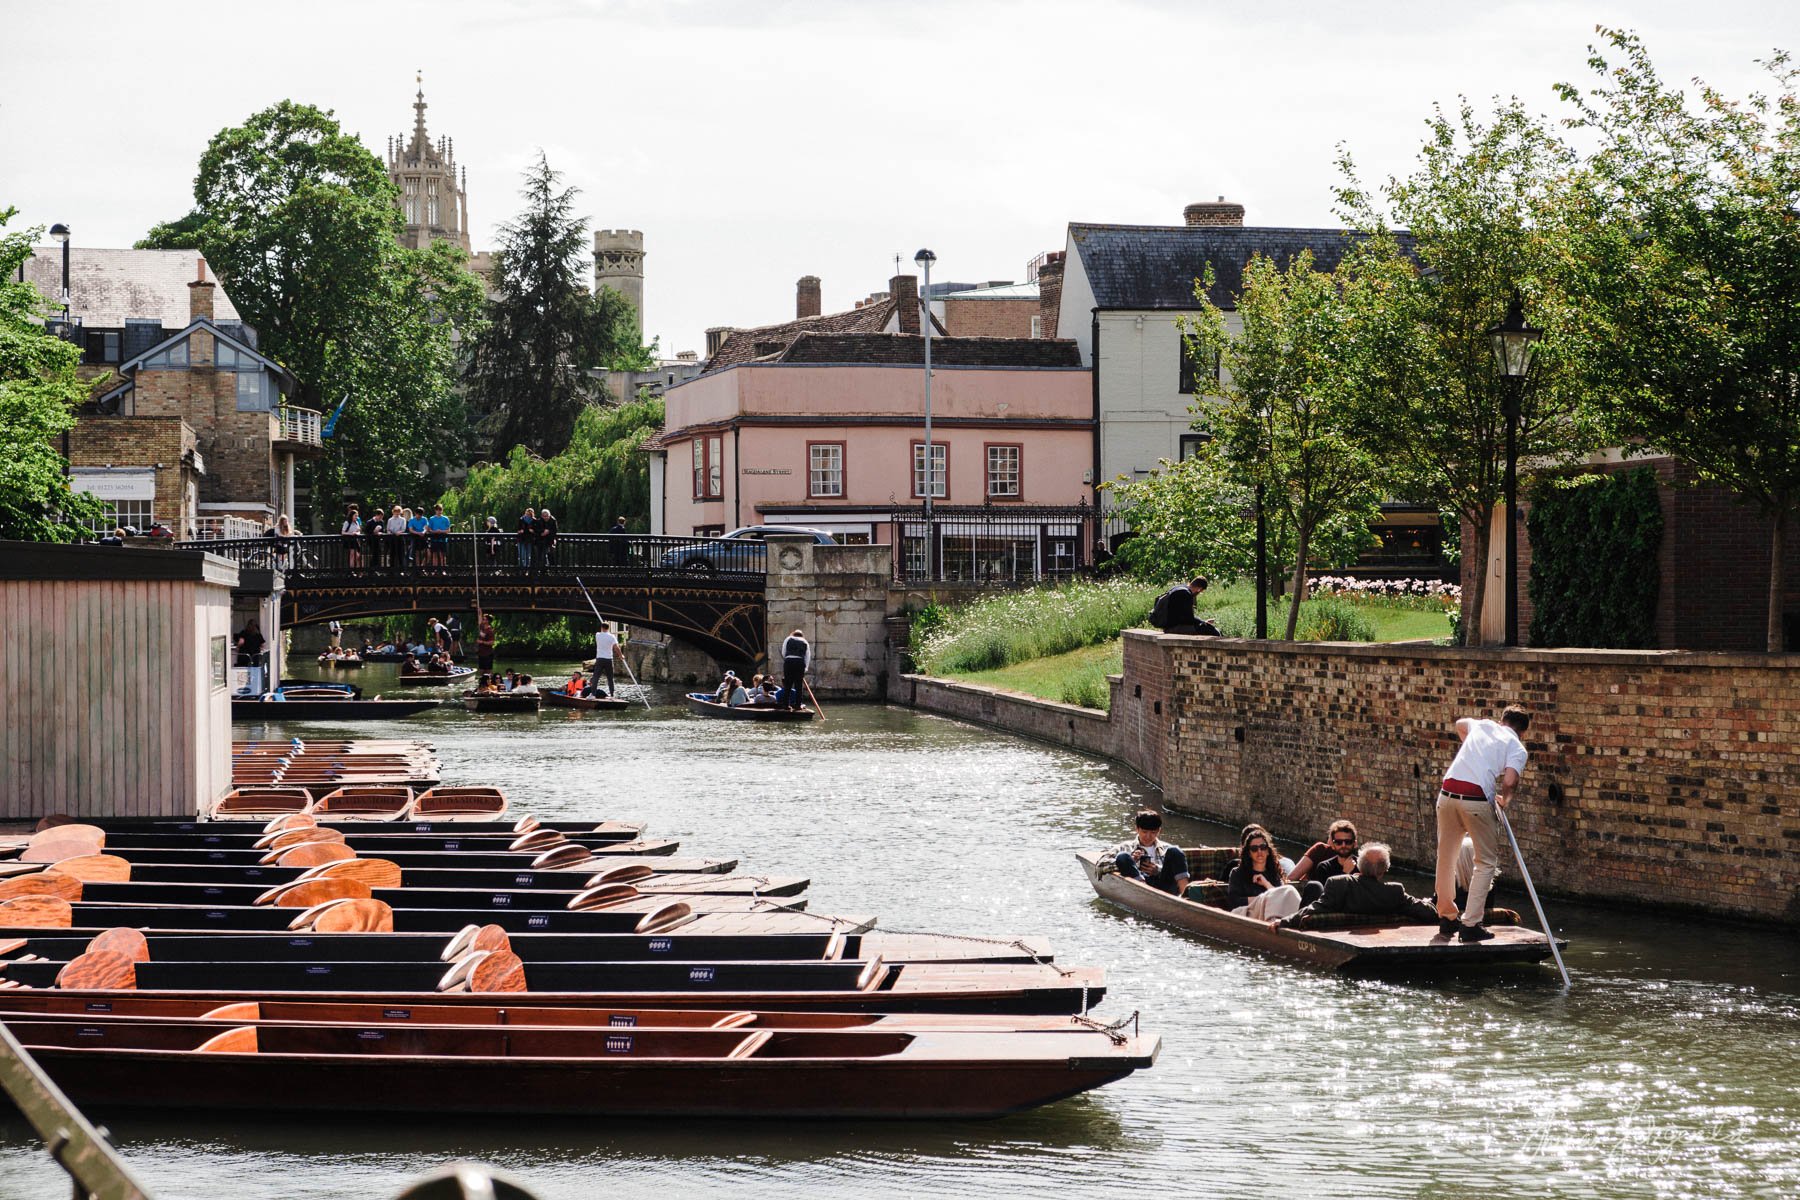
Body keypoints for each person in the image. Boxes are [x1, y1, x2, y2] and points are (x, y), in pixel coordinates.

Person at [1434, 704, 1531, 942]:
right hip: (1476, 800)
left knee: (1446, 858)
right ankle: (1471, 924)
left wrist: (1473, 748)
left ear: (1501, 720)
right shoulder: (1517, 747)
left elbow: (1459, 725)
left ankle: (1447, 918)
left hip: (1446, 794)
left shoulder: (1482, 725)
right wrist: (1505, 800)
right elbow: (1509, 781)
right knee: (1485, 862)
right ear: (1523, 732)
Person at [1273, 843, 1440, 930]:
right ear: (1384, 871)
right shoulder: (1395, 891)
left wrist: (1284, 922)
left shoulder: (1338, 883)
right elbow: (1429, 913)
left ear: (1359, 865)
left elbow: (1314, 908)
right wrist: (1428, 902)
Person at [1226, 825, 1303, 922]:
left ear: (1268, 851)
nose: (1259, 851)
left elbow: (1282, 897)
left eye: (1263, 847)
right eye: (1254, 848)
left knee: (1289, 890)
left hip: (1271, 913)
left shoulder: (1273, 873)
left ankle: (1296, 922)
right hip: (1246, 913)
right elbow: (1233, 902)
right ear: (1249, 853)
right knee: (1285, 893)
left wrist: (1266, 884)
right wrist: (1264, 900)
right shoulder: (1237, 873)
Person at [1111, 810, 1191, 896]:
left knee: (1175, 850)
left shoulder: (1166, 849)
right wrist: (1131, 861)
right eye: (1144, 832)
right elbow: (1100, 864)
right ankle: (1145, 891)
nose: (1148, 836)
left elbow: (1172, 872)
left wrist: (1158, 870)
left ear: (1159, 831)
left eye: (1153, 832)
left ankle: (1186, 896)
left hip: (1165, 888)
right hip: (1139, 889)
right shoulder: (1125, 847)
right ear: (1137, 829)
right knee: (1123, 857)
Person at [1285, 819, 1361, 906]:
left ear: (1354, 844)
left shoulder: (1362, 866)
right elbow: (1327, 898)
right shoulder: (1324, 867)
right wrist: (1345, 873)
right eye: (1339, 842)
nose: (1343, 845)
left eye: (1348, 842)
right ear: (1333, 844)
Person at [779, 628, 810, 709]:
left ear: (793, 633)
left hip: (789, 661)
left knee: (788, 683)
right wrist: (805, 668)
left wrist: (787, 659)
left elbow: (783, 651)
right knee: (799, 685)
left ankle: (786, 705)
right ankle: (798, 705)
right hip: (800, 662)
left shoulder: (788, 638)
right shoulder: (805, 641)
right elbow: (807, 656)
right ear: (801, 635)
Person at [590, 621, 619, 698]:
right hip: (608, 659)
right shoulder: (612, 637)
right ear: (608, 628)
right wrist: (621, 655)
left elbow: (601, 633)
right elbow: (616, 647)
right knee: (610, 678)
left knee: (596, 677)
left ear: (601, 628)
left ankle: (593, 694)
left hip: (600, 659)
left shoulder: (597, 635)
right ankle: (612, 694)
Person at [428, 504, 452, 570]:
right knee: (434, 555)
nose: (439, 511)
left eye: (440, 510)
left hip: (443, 539)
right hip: (434, 539)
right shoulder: (431, 519)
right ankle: (434, 570)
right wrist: (435, 531)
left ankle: (443, 569)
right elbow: (429, 529)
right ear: (435, 510)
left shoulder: (446, 518)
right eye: (437, 510)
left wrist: (441, 531)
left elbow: (448, 530)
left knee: (443, 555)